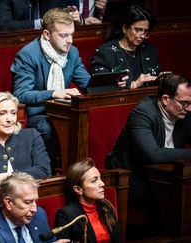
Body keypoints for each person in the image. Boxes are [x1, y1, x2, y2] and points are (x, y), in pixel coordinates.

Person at [106, 73, 191, 233]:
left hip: (167, 175)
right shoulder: (143, 113)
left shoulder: (184, 112)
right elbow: (154, 155)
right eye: (185, 103)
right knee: (175, 198)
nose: (189, 108)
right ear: (165, 99)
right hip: (133, 178)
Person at [11, 8, 90, 165]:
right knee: (47, 127)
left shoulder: (72, 52)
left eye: (72, 34)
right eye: (63, 35)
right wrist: (54, 93)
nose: (70, 40)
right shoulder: (28, 55)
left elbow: (88, 83)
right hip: (37, 114)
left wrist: (112, 83)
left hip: (65, 111)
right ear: (47, 34)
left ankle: (78, 169)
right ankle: (51, 170)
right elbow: (21, 94)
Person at [0, 172, 69, 243]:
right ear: (9, 203)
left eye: (35, 201)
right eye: (28, 202)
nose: (34, 209)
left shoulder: (39, 214)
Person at [91, 4, 159, 89]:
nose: (142, 36)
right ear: (124, 28)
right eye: (138, 30)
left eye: (146, 32)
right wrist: (133, 85)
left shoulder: (149, 50)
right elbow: (99, 88)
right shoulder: (105, 52)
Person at [55, 158, 119, 243]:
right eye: (94, 181)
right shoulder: (66, 215)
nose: (102, 184)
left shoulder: (106, 206)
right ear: (78, 189)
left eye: (100, 178)